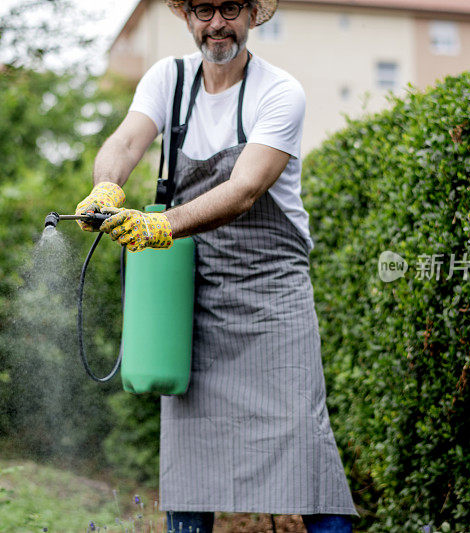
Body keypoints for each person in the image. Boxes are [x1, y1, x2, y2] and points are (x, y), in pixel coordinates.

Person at [74, 0, 359, 530]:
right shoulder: (169, 80)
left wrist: (161, 226)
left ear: (252, 14)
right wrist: (106, 184)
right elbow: (127, 139)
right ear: (186, 16)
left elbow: (245, 189)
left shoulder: (279, 92)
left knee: (305, 447)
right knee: (190, 467)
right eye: (203, 8)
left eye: (230, 7)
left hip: (273, 299)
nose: (217, 23)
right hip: (191, 301)